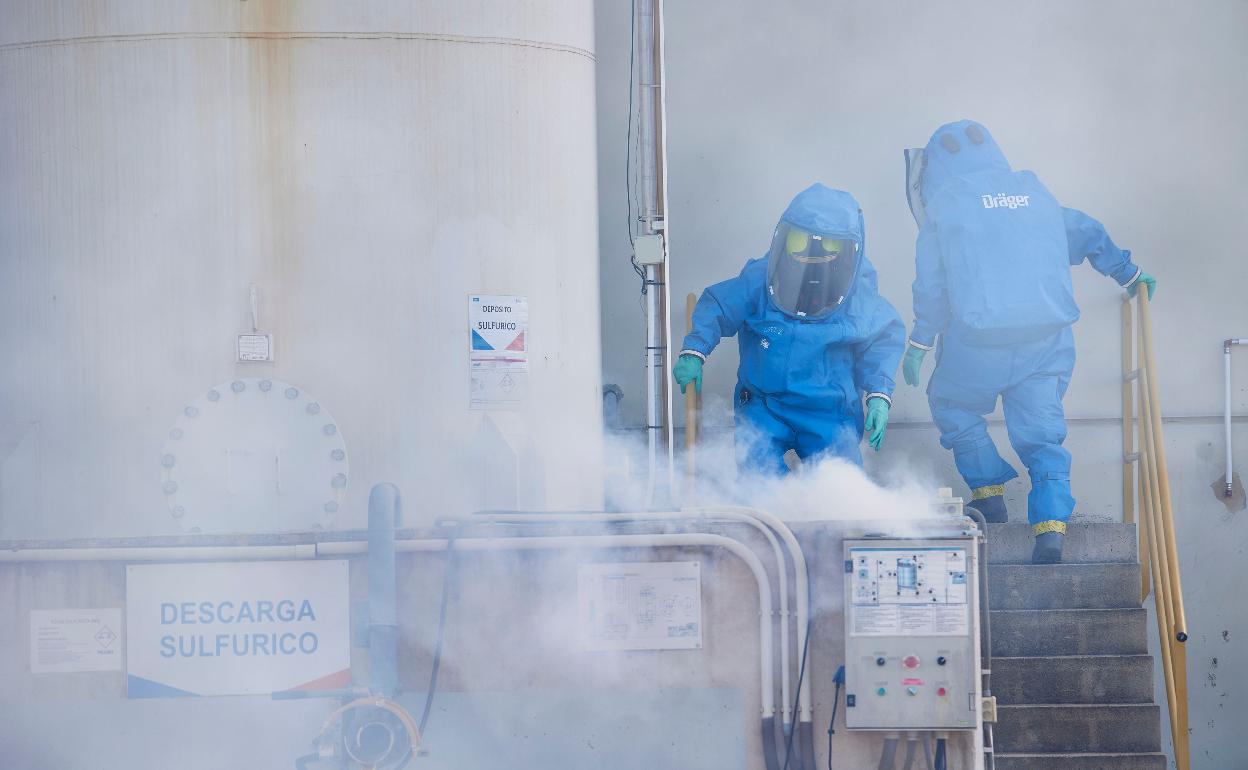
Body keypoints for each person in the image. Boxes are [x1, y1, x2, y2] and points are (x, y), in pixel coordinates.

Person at [901, 120, 1157, 563]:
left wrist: (920, 342)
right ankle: (1051, 531)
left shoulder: (946, 208)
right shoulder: (1036, 195)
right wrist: (1129, 274)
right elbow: (1089, 232)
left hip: (976, 346)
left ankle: (989, 494)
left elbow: (933, 286)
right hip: (1047, 343)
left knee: (954, 407)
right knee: (1043, 437)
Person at [672, 183, 905, 476]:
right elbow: (719, 305)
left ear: (849, 252)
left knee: (841, 494)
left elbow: (884, 340)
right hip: (764, 406)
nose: (812, 254)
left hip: (829, 414)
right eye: (800, 242)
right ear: (783, 238)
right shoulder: (760, 278)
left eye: (828, 246)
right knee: (758, 486)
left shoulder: (859, 296)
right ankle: (773, 521)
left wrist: (879, 395)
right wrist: (695, 350)